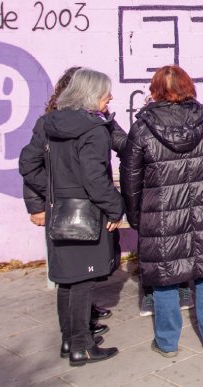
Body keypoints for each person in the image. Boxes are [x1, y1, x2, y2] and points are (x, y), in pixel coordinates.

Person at [121, 66, 203, 357]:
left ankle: (167, 342)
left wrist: (136, 215)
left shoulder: (143, 127)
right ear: (188, 87)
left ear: (155, 89)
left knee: (164, 274)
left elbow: (130, 178)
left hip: (159, 214)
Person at [18, 68, 124, 366]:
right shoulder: (94, 130)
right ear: (91, 96)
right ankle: (83, 346)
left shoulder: (47, 122)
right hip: (87, 214)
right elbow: (95, 179)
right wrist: (115, 208)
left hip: (59, 213)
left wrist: (56, 193)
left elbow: (28, 163)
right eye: (106, 93)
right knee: (83, 282)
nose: (110, 98)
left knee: (67, 280)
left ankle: (69, 341)